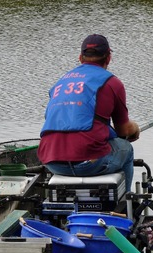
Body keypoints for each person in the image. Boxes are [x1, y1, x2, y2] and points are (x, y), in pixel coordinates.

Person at [37, 34, 140, 193]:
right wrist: (135, 129)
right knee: (126, 149)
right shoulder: (112, 82)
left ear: (80, 57)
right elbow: (124, 130)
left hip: (52, 162)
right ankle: (125, 206)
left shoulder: (61, 82)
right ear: (108, 58)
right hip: (90, 163)